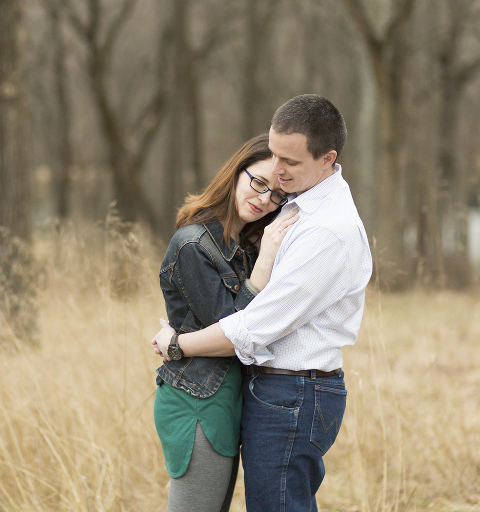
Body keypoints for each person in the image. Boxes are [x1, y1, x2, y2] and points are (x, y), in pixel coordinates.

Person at [152, 94, 373, 512]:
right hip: (253, 390)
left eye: (289, 162)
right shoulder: (284, 215)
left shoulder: (325, 230)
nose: (277, 171)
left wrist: (178, 343)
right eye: (272, 156)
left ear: (328, 158)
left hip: (291, 391)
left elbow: (252, 326)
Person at [154, 133, 300, 512]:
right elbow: (235, 330)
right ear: (236, 172)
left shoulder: (242, 248)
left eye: (276, 195)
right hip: (198, 401)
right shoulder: (193, 245)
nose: (265, 199)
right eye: (258, 183)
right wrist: (266, 260)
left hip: (230, 397)